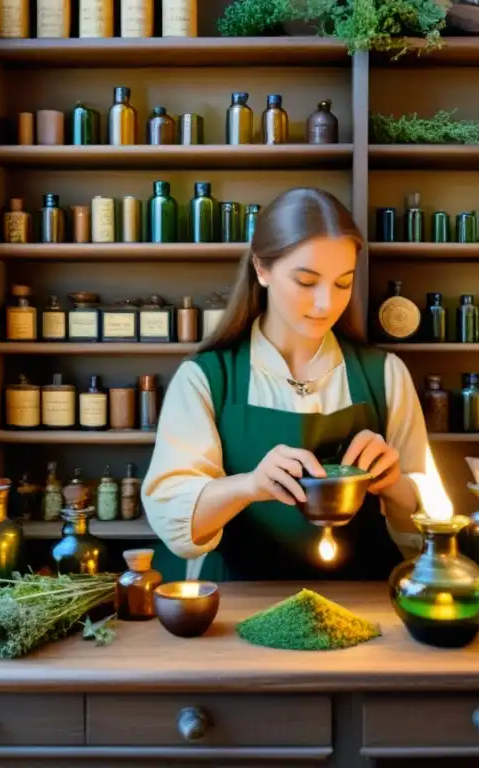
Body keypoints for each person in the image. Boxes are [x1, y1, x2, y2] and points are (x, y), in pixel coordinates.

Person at [142, 187, 430, 582]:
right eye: (307, 282)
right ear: (262, 269)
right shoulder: (207, 377)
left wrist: (394, 485)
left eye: (342, 283)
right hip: (239, 605)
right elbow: (175, 518)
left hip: (366, 602)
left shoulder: (386, 374)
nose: (326, 303)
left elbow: (426, 527)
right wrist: (250, 485)